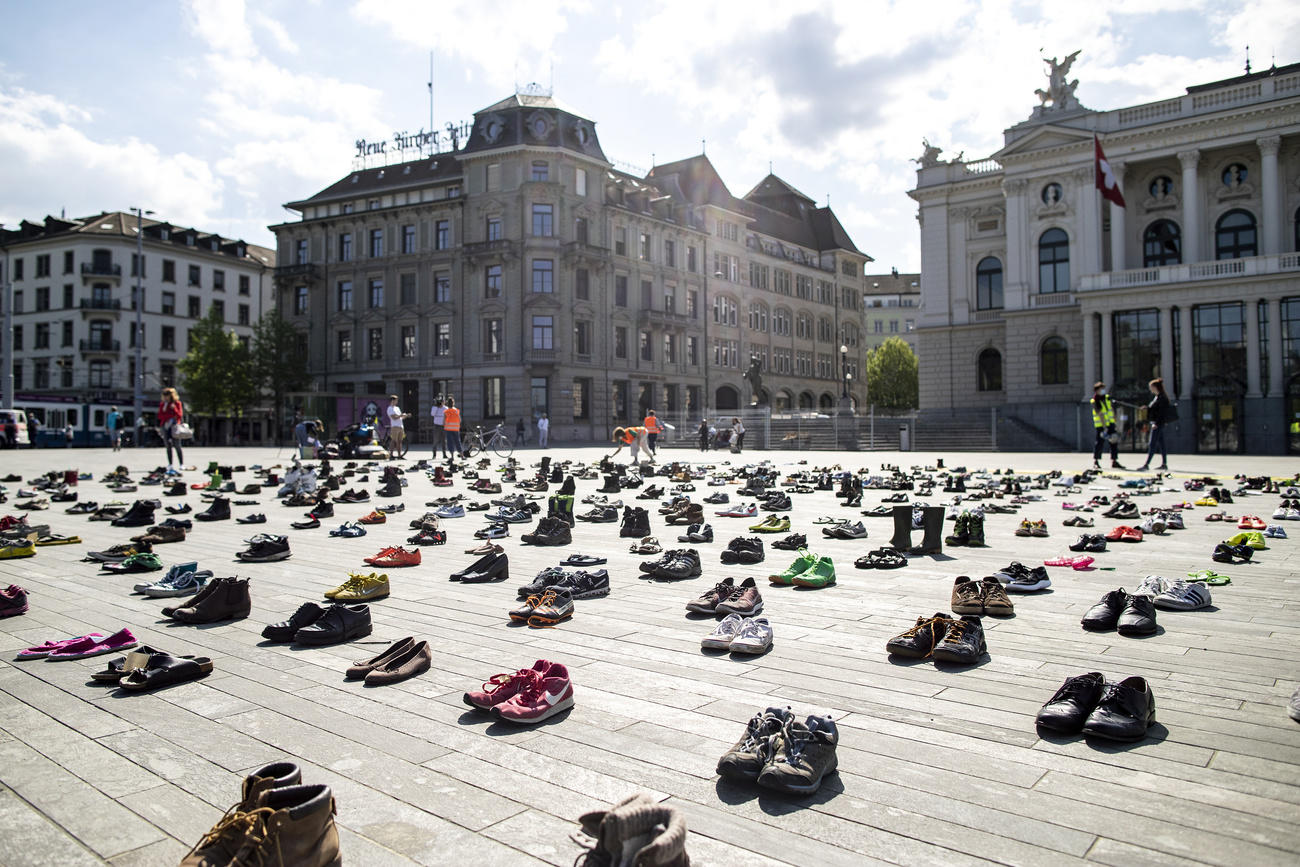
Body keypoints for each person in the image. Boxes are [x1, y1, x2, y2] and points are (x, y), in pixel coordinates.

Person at [1136, 378, 1171, 472]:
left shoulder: (1162, 398)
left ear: (1155, 387)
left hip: (1157, 424)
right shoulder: (1158, 397)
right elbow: (1154, 409)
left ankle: (1146, 465)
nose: (1150, 389)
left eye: (1151, 387)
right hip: (1158, 423)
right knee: (1161, 444)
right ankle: (1164, 464)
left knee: (1152, 444)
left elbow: (1161, 412)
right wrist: (1146, 408)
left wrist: (1156, 423)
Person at [1091, 381, 1123, 469]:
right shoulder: (1094, 401)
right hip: (1101, 425)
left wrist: (1114, 422)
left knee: (1114, 441)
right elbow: (1100, 414)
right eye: (1101, 389)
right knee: (1099, 443)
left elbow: (1111, 410)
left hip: (1110, 424)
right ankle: (1096, 461)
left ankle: (1114, 460)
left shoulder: (1107, 398)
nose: (1103, 391)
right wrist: (1104, 427)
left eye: (1103, 389)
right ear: (1096, 390)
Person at [158, 386, 185, 469]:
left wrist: (174, 409)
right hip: (165, 427)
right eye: (164, 395)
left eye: (167, 394)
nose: (165, 396)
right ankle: (170, 464)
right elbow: (159, 416)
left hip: (174, 427)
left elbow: (179, 415)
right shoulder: (163, 404)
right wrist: (166, 412)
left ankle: (181, 464)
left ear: (172, 395)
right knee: (168, 446)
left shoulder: (177, 403)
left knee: (177, 445)